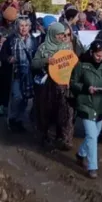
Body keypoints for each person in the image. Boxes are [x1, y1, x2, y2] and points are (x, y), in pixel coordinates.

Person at [71, 40, 102, 178]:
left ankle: (81, 154)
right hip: (86, 103)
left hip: (101, 103)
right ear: (92, 52)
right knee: (91, 135)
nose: (100, 58)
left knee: (95, 133)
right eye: (97, 55)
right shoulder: (81, 65)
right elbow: (73, 82)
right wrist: (86, 88)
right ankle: (92, 167)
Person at [32, 22, 75, 150]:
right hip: (47, 85)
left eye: (63, 35)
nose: (62, 37)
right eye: (59, 35)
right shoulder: (43, 48)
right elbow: (34, 63)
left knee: (64, 111)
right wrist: (46, 61)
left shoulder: (67, 47)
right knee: (46, 111)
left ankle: (63, 138)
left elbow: (72, 63)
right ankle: (45, 136)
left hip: (63, 85)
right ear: (52, 35)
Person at [0, 17, 39, 132]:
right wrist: (8, 58)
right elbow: (2, 54)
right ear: (17, 27)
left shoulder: (33, 40)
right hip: (15, 73)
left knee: (25, 99)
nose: (24, 28)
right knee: (17, 97)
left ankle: (19, 120)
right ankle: (12, 118)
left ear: (30, 27)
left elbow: (36, 56)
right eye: (21, 25)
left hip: (28, 74)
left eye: (26, 26)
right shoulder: (10, 39)